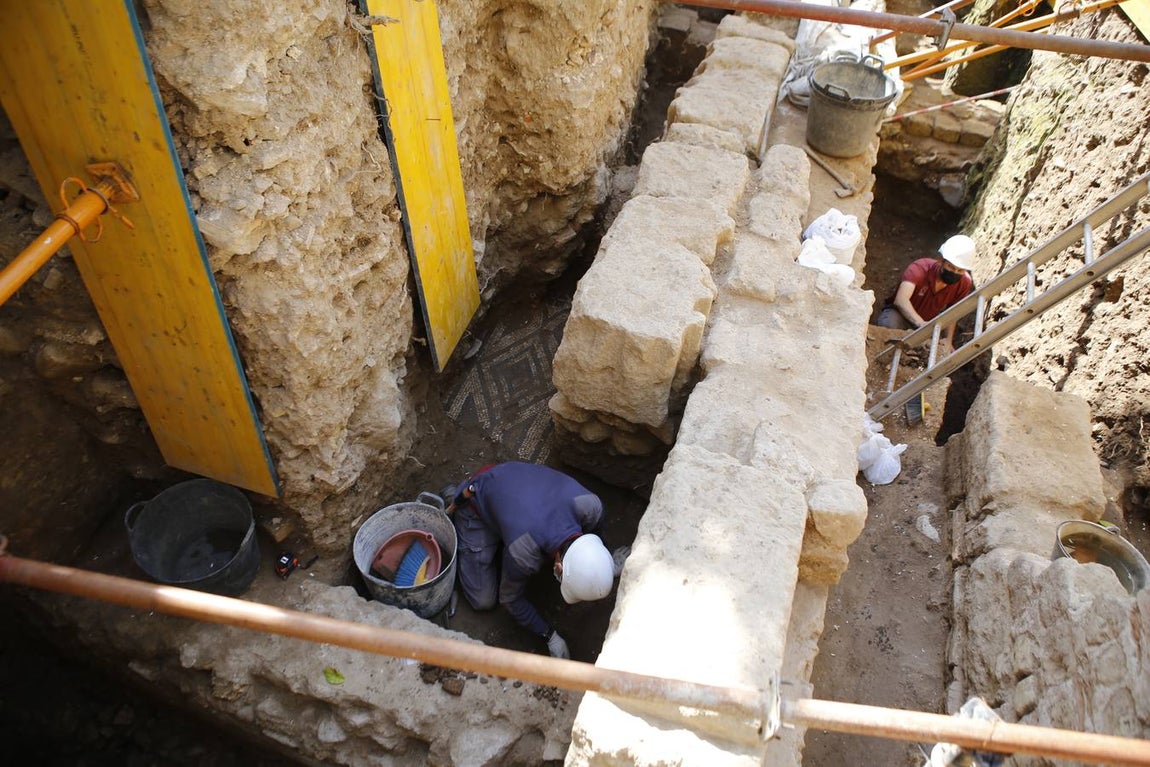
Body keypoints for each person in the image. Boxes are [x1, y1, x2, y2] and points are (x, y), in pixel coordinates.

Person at [440, 462, 624, 659]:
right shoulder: (524, 553)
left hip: (517, 482)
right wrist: (550, 636)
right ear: (558, 567)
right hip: (479, 495)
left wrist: (604, 565)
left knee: (517, 523)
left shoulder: (590, 505)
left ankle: (504, 517)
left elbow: (595, 536)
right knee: (482, 599)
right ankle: (456, 496)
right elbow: (510, 599)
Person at [877, 234, 976, 349]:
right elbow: (901, 300)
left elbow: (952, 313)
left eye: (960, 270)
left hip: (926, 323)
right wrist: (921, 324)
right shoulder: (920, 269)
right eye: (951, 267)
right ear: (941, 261)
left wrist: (948, 341)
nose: (955, 272)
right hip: (900, 314)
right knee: (888, 327)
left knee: (932, 350)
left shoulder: (965, 283)